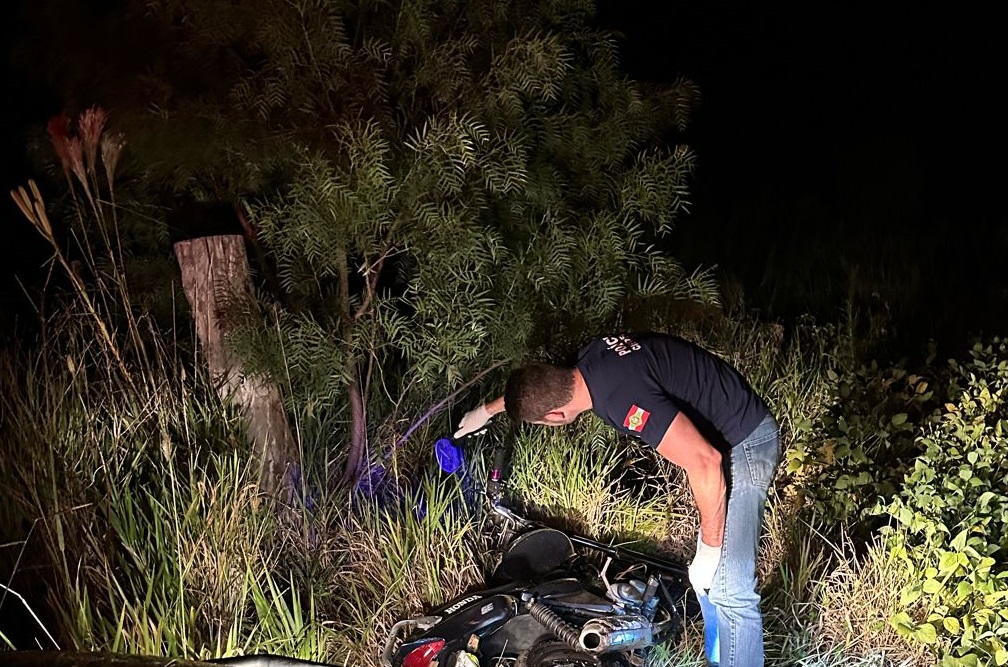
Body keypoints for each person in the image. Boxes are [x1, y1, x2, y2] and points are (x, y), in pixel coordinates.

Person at [453, 332, 780, 667]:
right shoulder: (589, 359)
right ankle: (721, 658)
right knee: (707, 582)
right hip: (721, 432)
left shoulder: (621, 400)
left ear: (554, 417)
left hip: (745, 442)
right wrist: (487, 410)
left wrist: (711, 549)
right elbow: (536, 390)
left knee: (731, 590)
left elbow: (705, 462)